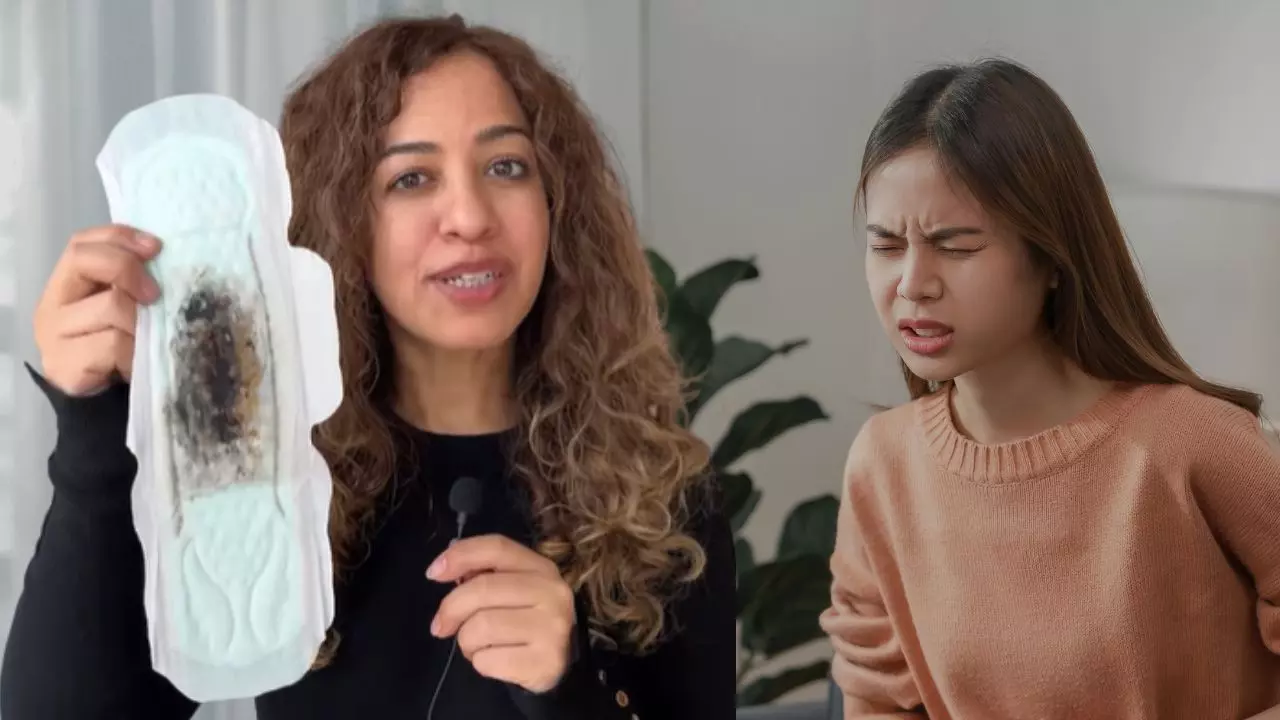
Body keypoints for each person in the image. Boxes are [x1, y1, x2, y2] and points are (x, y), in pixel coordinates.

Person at [0, 15, 735, 720]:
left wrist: (569, 688)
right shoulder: (259, 477)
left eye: (506, 166)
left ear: (556, 205)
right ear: (341, 222)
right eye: (411, 178)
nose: (470, 217)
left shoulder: (657, 496)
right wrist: (94, 424)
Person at [820, 58, 1280, 719]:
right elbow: (876, 703)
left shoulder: (1192, 442)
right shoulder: (882, 462)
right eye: (887, 246)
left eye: (957, 245)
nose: (913, 283)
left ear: (1053, 257)